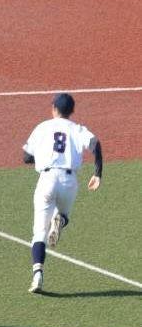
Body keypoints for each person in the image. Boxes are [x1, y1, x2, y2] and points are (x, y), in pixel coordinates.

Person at [23, 93, 103, 293]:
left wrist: (43, 156)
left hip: (47, 179)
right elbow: (96, 144)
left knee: (39, 232)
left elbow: (26, 157)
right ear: (72, 111)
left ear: (54, 109)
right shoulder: (77, 129)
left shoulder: (42, 127)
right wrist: (97, 174)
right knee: (64, 215)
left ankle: (37, 275)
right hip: (69, 181)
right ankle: (60, 220)